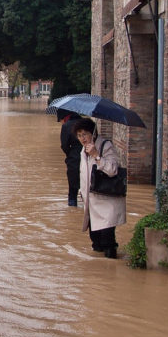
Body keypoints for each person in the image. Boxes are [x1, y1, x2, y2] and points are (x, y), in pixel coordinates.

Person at [73, 117, 126, 259]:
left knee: (108, 241)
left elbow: (113, 169)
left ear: (93, 133)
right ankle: (98, 276)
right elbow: (84, 174)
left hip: (106, 201)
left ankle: (110, 273)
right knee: (96, 242)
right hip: (91, 203)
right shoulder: (83, 151)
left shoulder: (105, 146)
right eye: (79, 135)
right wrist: (81, 191)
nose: (82, 138)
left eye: (85, 134)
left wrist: (97, 155)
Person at [57, 108, 83, 206]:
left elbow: (64, 145)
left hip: (74, 160)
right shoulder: (87, 123)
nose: (61, 123)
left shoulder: (66, 126)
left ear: (64, 118)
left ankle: (72, 208)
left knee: (73, 190)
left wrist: (70, 155)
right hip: (90, 159)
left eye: (60, 120)